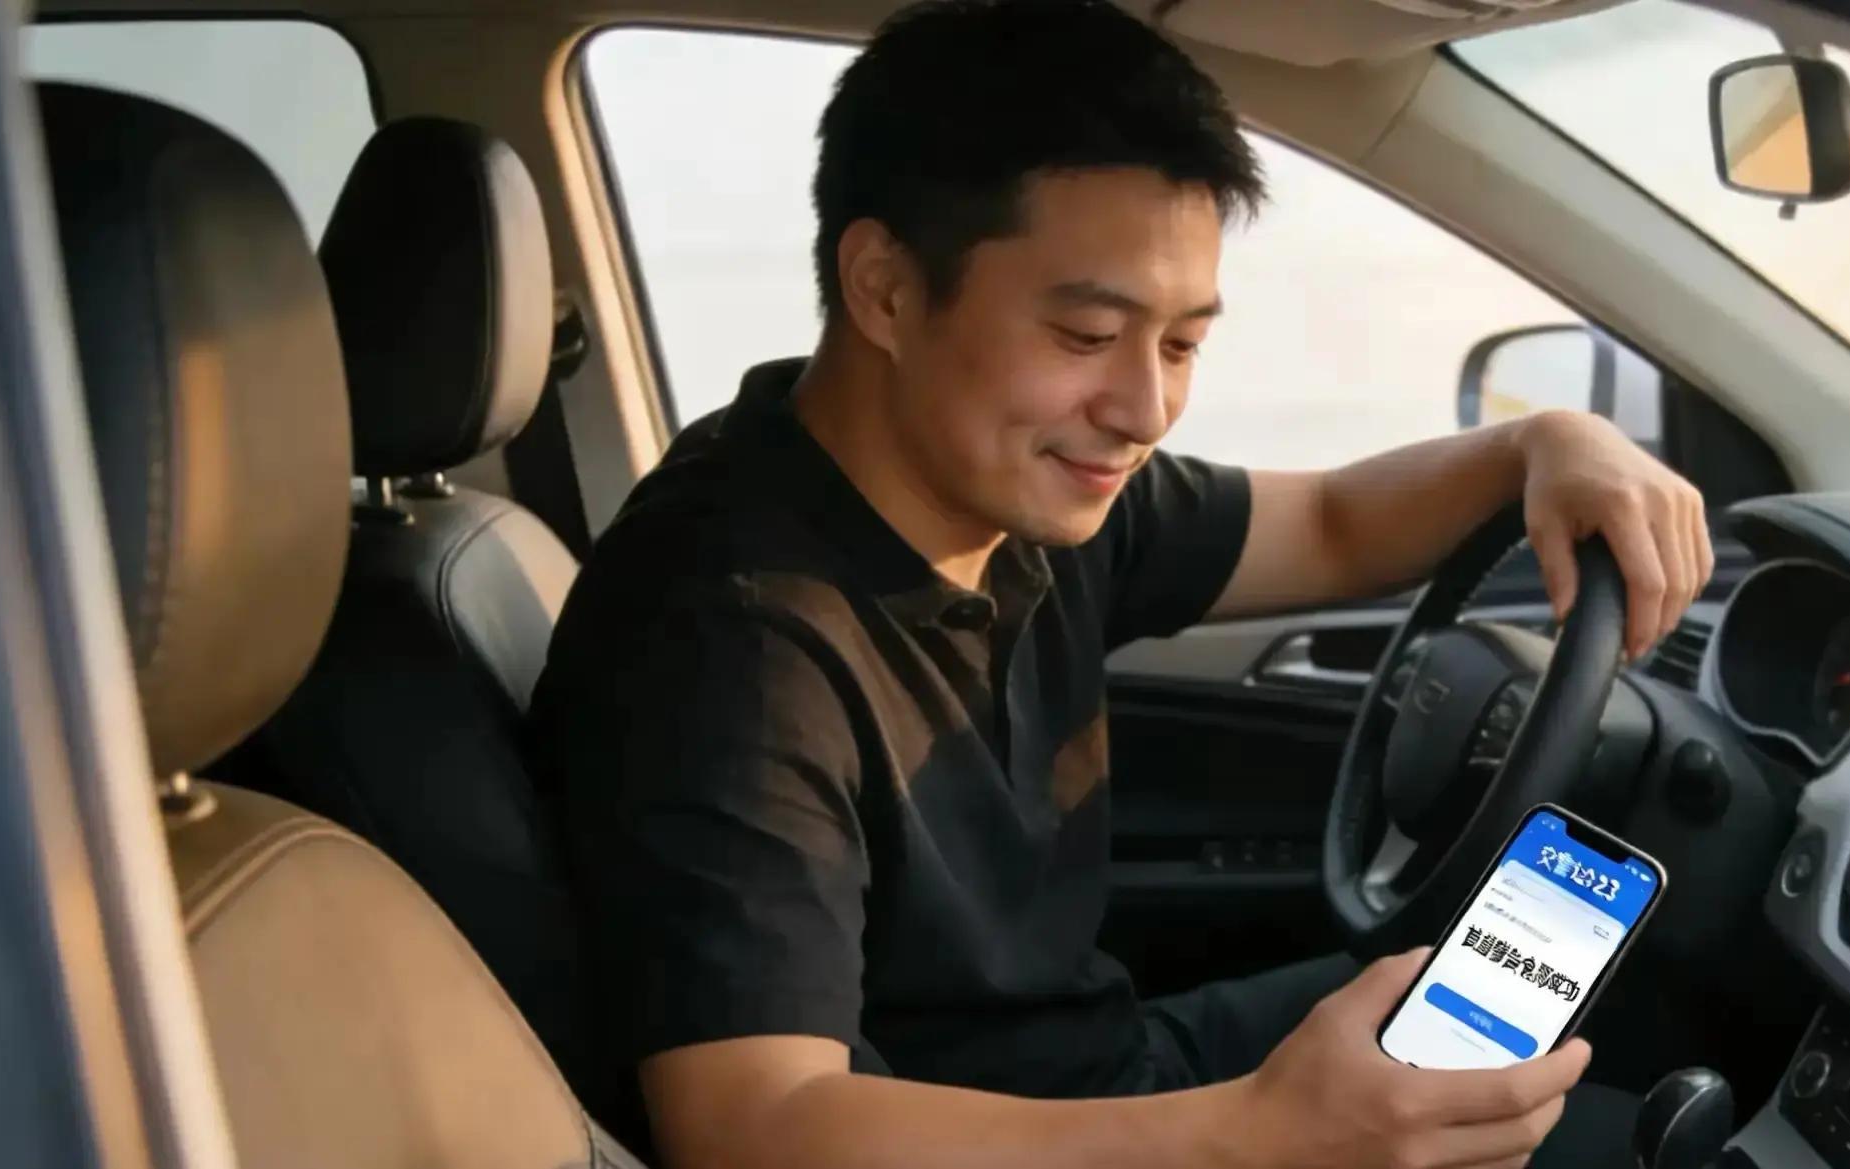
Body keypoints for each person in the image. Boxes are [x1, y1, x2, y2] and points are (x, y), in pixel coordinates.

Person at [528, 2, 1714, 1166]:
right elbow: (754, 1125)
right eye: (1089, 336)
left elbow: (1334, 521)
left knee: (1619, 1001)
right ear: (883, 287)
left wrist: (1542, 444)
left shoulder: (1006, 486)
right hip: (1051, 1136)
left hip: (1113, 1080)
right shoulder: (727, 638)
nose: (1145, 410)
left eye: (1182, 342)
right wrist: (1256, 1136)